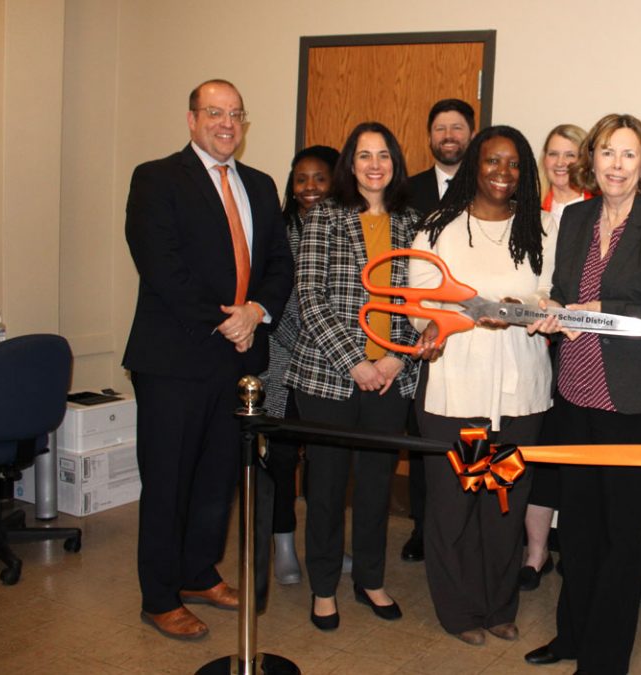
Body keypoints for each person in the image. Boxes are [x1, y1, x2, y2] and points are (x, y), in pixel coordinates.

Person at [523, 113, 641, 675]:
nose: (616, 165)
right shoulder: (575, 218)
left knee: (622, 540)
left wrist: (606, 314)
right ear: (590, 161)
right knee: (575, 531)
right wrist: (551, 312)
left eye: (628, 155)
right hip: (574, 394)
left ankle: (603, 660)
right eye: (606, 153)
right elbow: (562, 293)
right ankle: (571, 635)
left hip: (631, 405)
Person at [124, 79, 292, 640]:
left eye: (236, 114)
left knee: (220, 475)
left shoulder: (263, 186)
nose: (227, 123)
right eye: (215, 113)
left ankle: (199, 573)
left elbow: (278, 264)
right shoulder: (156, 178)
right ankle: (159, 594)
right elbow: (162, 266)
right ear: (192, 119)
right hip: (175, 357)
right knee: (169, 478)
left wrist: (257, 311)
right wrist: (228, 320)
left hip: (241, 359)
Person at [407, 125, 557, 646]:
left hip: (519, 396)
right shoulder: (439, 227)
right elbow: (418, 304)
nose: (502, 173)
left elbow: (549, 295)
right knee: (456, 504)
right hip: (461, 393)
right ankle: (459, 610)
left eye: (513, 164)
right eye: (492, 161)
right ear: (475, 164)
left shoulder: (540, 227)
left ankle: (499, 605)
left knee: (503, 502)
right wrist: (439, 322)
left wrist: (526, 310)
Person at [284, 122, 421, 631]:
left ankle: (369, 578)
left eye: (383, 154)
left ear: (395, 162)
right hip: (328, 376)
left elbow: (421, 301)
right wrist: (356, 363)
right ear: (350, 163)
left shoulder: (412, 222)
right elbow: (310, 297)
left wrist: (394, 359)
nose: (374, 164)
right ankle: (323, 587)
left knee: (376, 484)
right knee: (325, 485)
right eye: (363, 155)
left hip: (390, 375)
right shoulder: (324, 217)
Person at [259, 144, 340, 590]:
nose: (309, 188)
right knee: (283, 459)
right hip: (283, 362)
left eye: (320, 178)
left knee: (328, 462)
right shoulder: (279, 231)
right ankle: (284, 545)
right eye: (301, 179)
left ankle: (325, 545)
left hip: (330, 363)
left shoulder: (344, 227)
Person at [401, 98, 477, 563]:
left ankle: (469, 528)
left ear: (472, 133)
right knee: (424, 437)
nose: (448, 135)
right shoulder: (407, 191)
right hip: (424, 334)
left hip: (475, 333)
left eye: (457, 127)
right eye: (440, 129)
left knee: (473, 438)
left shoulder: (490, 187)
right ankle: (422, 528)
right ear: (429, 137)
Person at [521, 123, 593, 592]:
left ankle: (580, 548)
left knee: (580, 456)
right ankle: (535, 553)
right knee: (541, 455)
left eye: (571, 154)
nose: (561, 163)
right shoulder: (528, 213)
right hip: (533, 351)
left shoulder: (597, 214)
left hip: (581, 355)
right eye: (553, 154)